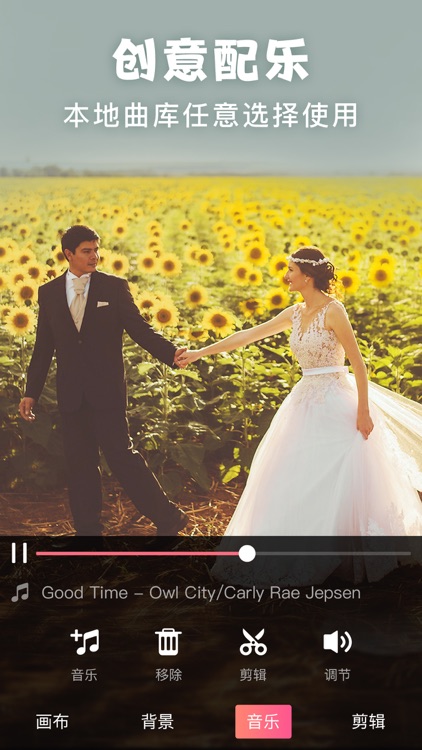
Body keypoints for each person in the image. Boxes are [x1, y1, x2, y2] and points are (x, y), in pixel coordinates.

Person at [176, 246, 422, 561]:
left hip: (337, 400)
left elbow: (358, 364)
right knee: (294, 473)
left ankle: (347, 549)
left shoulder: (334, 310)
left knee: (342, 472)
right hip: (303, 401)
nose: (286, 276)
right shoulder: (294, 312)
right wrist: (199, 353)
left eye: (291, 270)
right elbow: (248, 335)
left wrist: (363, 412)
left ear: (307, 276)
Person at [19, 225, 188, 537]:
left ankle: (169, 518)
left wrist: (171, 353)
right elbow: (43, 347)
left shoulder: (114, 287)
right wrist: (32, 392)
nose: (94, 256)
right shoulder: (49, 293)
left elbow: (139, 329)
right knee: (79, 464)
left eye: (96, 250)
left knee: (122, 457)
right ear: (68, 254)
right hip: (71, 394)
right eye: (87, 251)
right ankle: (88, 532)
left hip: (106, 392)